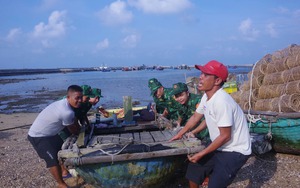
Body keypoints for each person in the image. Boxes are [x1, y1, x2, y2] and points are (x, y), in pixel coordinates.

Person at [170, 60, 251, 188]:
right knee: (194, 171)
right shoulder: (206, 97)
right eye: (201, 73)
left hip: (235, 150)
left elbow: (225, 136)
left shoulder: (221, 101)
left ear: (217, 81)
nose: (200, 77)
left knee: (214, 185)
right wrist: (180, 134)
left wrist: (201, 153)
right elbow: (196, 117)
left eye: (206, 75)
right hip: (220, 146)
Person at [28, 85, 83, 188]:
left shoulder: (65, 104)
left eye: (81, 97)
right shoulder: (66, 112)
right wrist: (81, 133)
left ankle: (64, 172)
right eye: (77, 98)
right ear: (68, 97)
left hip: (51, 133)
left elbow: (74, 120)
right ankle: (61, 184)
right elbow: (73, 130)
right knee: (52, 160)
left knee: (60, 152)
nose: (80, 100)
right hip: (38, 136)